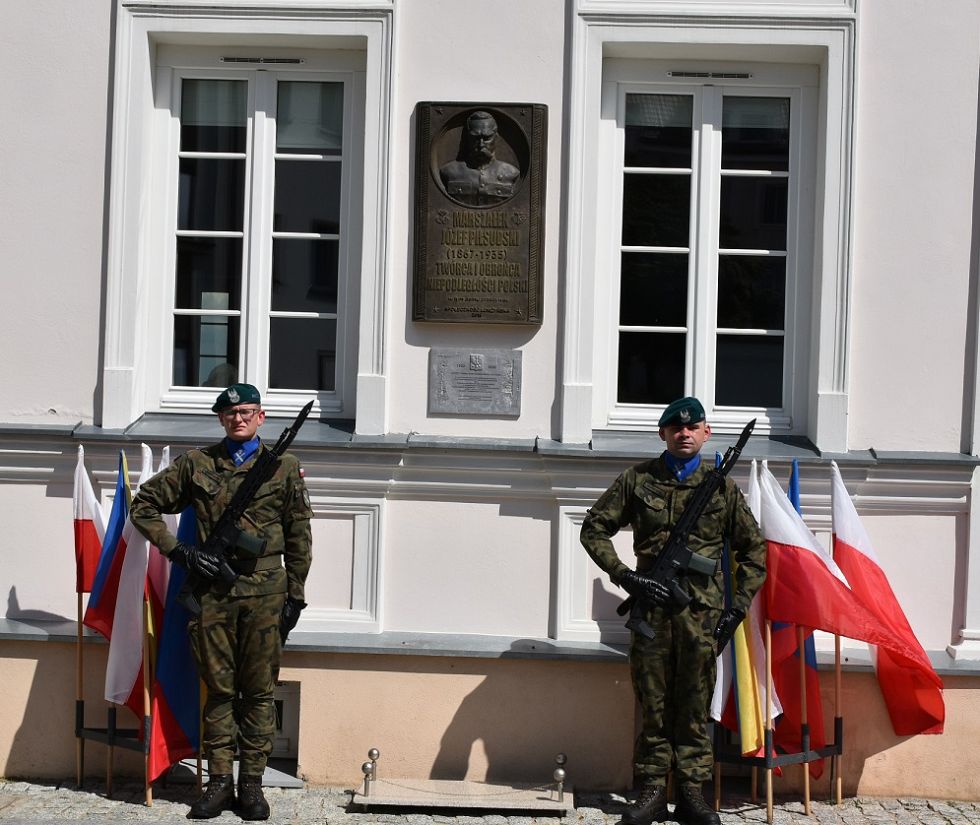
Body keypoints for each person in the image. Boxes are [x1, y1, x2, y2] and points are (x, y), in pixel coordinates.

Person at [130, 383, 313, 821]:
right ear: (221, 418)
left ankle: (251, 786)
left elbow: (299, 536)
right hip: (213, 593)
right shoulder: (197, 464)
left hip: (266, 593)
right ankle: (218, 783)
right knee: (219, 691)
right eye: (231, 412)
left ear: (261, 417)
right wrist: (181, 552)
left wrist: (296, 597)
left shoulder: (284, 467)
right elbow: (144, 506)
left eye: (247, 411)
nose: (239, 418)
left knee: (259, 692)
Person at [580, 397, 766, 825]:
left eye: (693, 427)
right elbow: (594, 530)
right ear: (662, 433)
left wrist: (735, 612)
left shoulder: (721, 489)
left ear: (706, 433)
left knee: (695, 706)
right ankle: (649, 793)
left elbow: (754, 552)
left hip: (703, 620)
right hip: (652, 616)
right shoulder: (638, 480)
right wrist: (626, 577)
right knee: (654, 704)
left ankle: (692, 795)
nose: (684, 433)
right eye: (674, 427)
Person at [439, 110, 520, 206]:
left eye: (487, 138)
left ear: (496, 137)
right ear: (467, 138)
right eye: (475, 138)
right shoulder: (449, 172)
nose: (481, 144)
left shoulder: (511, 173)